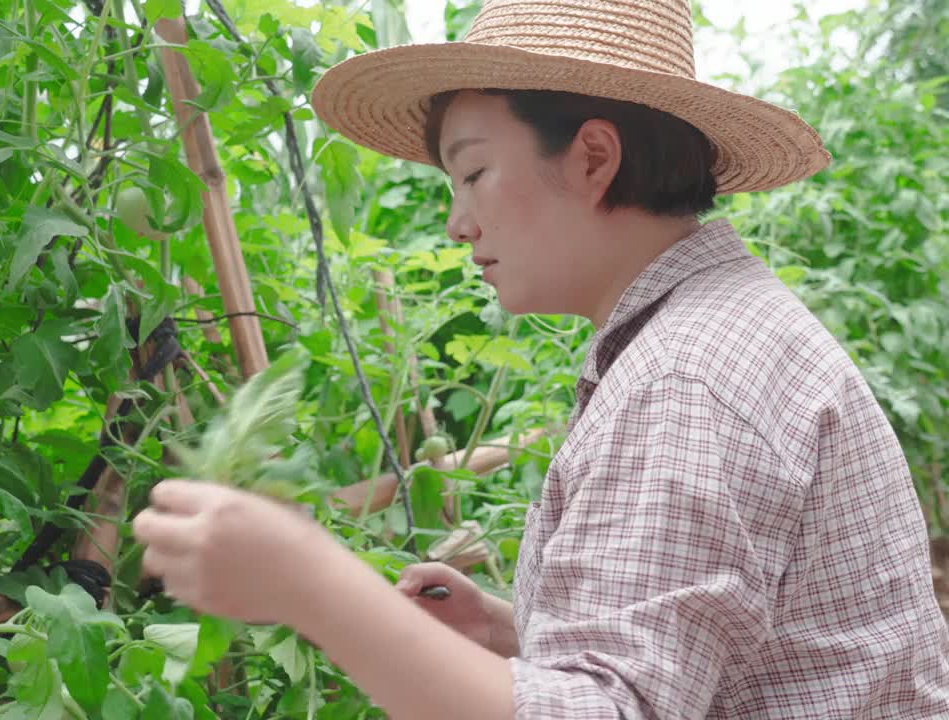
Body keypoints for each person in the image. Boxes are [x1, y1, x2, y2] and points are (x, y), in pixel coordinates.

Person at [131, 0, 949, 717]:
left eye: (474, 172)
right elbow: (722, 659)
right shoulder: (707, 331)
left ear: (593, 158)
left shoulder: (683, 380)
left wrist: (310, 583)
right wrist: (506, 630)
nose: (457, 224)